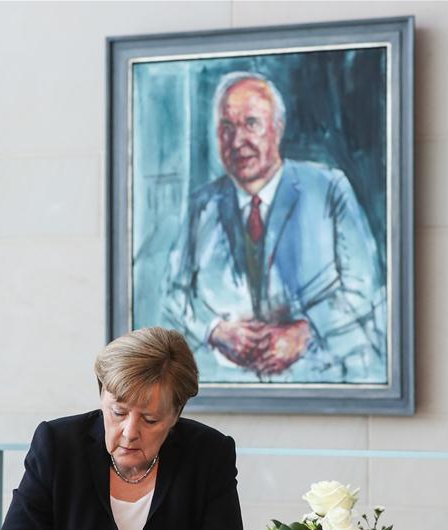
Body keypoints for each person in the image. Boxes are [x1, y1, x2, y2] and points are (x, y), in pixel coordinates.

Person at [162, 72, 386, 384]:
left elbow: (364, 287)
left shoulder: (329, 188)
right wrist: (215, 329)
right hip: (226, 387)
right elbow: (174, 295)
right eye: (227, 127)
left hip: (326, 378)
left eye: (251, 123)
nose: (237, 140)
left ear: (277, 130)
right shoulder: (202, 205)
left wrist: (305, 331)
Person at [0, 327, 244, 530]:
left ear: (175, 415)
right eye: (118, 412)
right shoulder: (58, 444)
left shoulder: (209, 452)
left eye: (150, 420)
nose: (130, 431)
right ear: (101, 397)